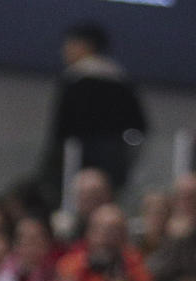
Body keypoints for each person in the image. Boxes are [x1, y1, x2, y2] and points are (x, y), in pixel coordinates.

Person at [41, 22, 146, 198]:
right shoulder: (121, 82)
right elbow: (139, 125)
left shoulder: (75, 82)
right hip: (113, 165)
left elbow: (63, 129)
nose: (64, 51)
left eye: (69, 44)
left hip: (77, 164)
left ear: (85, 46)